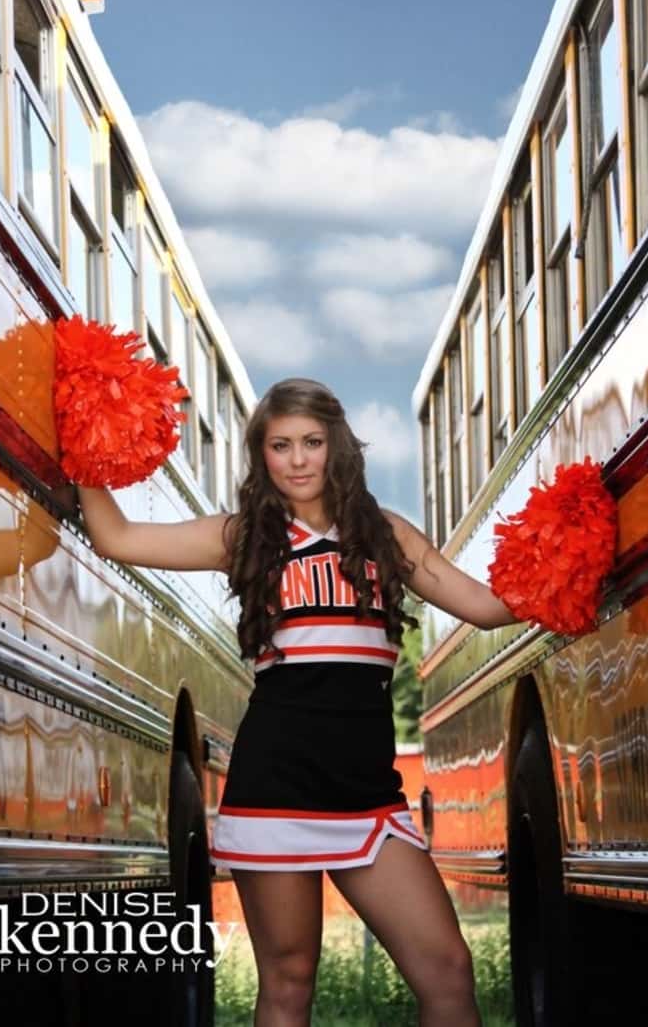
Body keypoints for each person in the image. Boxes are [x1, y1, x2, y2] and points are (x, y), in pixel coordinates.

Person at [76, 377, 518, 1027]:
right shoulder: (243, 537)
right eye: (280, 445)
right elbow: (117, 537)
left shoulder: (386, 535)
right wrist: (86, 439)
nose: (299, 458)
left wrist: (570, 563)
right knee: (288, 982)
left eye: (311, 441)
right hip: (275, 784)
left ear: (337, 445)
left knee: (449, 970)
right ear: (262, 455)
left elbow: (483, 606)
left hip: (368, 792)